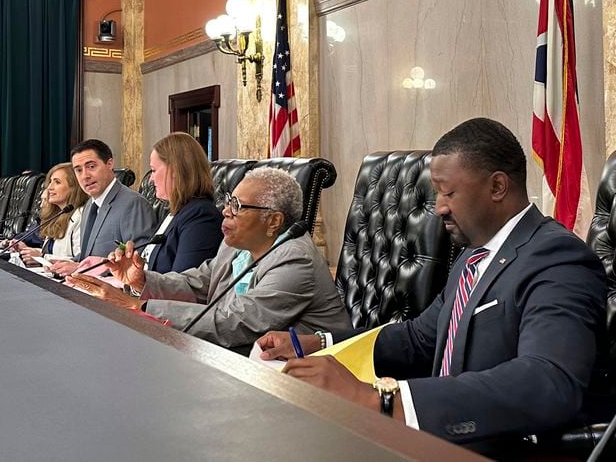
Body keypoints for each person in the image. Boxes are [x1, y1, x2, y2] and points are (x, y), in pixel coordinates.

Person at [256, 118, 606, 450]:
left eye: (447, 192)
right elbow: (419, 338)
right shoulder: (473, 257)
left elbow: (548, 382)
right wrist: (318, 342)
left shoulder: (556, 258)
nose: (438, 208)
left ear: (497, 186)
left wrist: (382, 401)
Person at [67, 167, 350, 350]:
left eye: (237, 206)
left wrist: (140, 307)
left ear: (274, 221)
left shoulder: (295, 259)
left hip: (311, 371)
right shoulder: (235, 246)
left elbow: (235, 322)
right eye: (228, 200)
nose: (225, 211)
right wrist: (142, 280)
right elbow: (198, 282)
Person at [106, 132, 223, 277]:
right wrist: (131, 272)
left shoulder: (201, 216)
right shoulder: (174, 213)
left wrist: (140, 283)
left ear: (176, 170)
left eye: (154, 170)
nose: (150, 180)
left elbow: (183, 287)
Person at [49, 139, 156, 276]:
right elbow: (89, 254)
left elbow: (138, 261)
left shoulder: (133, 204)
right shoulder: (90, 205)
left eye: (91, 167)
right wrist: (66, 264)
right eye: (79, 170)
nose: (85, 176)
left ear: (109, 164)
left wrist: (81, 269)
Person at [6, 163, 87, 263]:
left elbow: (82, 261)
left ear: (74, 187)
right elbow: (53, 253)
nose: (49, 188)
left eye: (57, 182)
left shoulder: (81, 215)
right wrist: (27, 251)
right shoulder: (57, 215)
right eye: (50, 182)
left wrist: (41, 257)